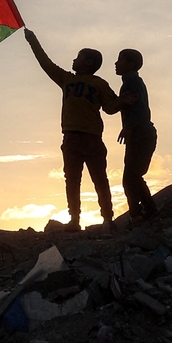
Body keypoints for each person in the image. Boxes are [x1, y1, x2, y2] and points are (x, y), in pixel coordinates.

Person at [24, 28, 122, 232]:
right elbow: (46, 64)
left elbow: (110, 108)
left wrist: (124, 102)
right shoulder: (67, 80)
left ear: (88, 63)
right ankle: (75, 219)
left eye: (78, 57)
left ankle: (107, 218)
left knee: (99, 179)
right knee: (72, 179)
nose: (74, 60)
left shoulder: (99, 84)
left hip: (93, 138)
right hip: (71, 138)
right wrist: (33, 41)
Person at [115, 48, 158, 223]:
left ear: (131, 65)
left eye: (120, 60)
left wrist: (129, 127)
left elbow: (140, 108)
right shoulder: (131, 81)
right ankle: (148, 211)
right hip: (141, 135)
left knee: (130, 178)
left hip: (141, 135)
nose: (116, 63)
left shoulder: (131, 81)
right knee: (133, 176)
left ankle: (139, 215)